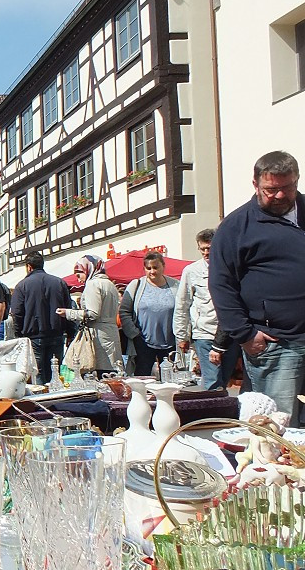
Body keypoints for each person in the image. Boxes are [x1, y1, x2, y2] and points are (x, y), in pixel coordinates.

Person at [210, 150, 305, 422]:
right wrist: (244, 334)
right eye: (271, 189)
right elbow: (221, 284)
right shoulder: (236, 227)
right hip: (276, 345)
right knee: (276, 425)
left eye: (287, 188)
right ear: (255, 185)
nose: (279, 195)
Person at [174, 229, 240, 390]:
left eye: (209, 248)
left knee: (225, 380)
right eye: (202, 249)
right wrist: (181, 335)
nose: (205, 252)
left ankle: (220, 411)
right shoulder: (191, 271)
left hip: (229, 333)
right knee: (213, 381)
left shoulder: (231, 267)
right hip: (204, 333)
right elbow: (182, 304)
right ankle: (213, 411)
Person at [9, 252, 75, 385]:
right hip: (57, 333)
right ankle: (56, 402)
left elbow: (17, 313)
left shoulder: (22, 286)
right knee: (55, 373)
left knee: (37, 373)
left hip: (33, 335)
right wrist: (70, 333)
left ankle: (41, 403)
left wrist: (19, 334)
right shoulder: (59, 282)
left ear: (28, 267)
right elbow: (68, 309)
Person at [57, 255, 123, 375]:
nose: (78, 279)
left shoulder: (93, 284)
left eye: (79, 274)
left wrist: (68, 313)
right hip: (111, 334)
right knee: (111, 375)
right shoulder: (110, 284)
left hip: (98, 337)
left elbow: (92, 313)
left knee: (97, 376)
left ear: (89, 269)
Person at [119, 252, 180, 377]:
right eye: (148, 268)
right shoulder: (136, 285)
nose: (152, 271)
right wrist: (134, 333)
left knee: (171, 381)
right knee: (142, 379)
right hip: (143, 342)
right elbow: (124, 311)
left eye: (156, 267)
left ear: (163, 266)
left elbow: (183, 310)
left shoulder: (175, 285)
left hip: (170, 342)